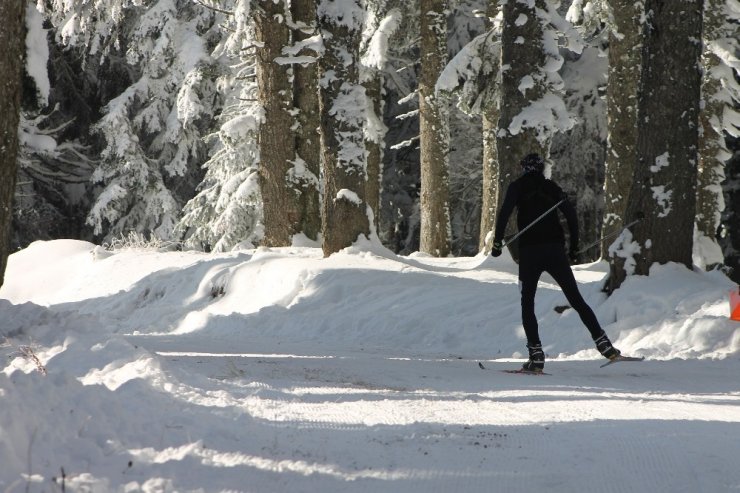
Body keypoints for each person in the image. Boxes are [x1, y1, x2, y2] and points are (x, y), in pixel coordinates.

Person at [490, 153, 620, 373]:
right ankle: (605, 345)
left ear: (524, 168)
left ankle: (536, 355)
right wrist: (574, 246)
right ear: (541, 169)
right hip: (554, 251)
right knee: (576, 298)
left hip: (530, 252)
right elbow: (571, 216)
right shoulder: (552, 187)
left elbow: (504, 214)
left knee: (527, 303)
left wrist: (497, 242)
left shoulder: (517, 186)